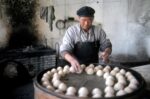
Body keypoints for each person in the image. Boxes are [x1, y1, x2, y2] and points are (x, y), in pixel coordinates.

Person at [60, 6, 112, 73]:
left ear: (93, 19)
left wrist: (106, 52)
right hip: (76, 67)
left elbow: (107, 45)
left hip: (94, 68)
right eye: (84, 20)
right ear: (78, 18)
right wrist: (71, 60)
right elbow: (64, 50)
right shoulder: (71, 31)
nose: (86, 23)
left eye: (89, 20)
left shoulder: (98, 31)